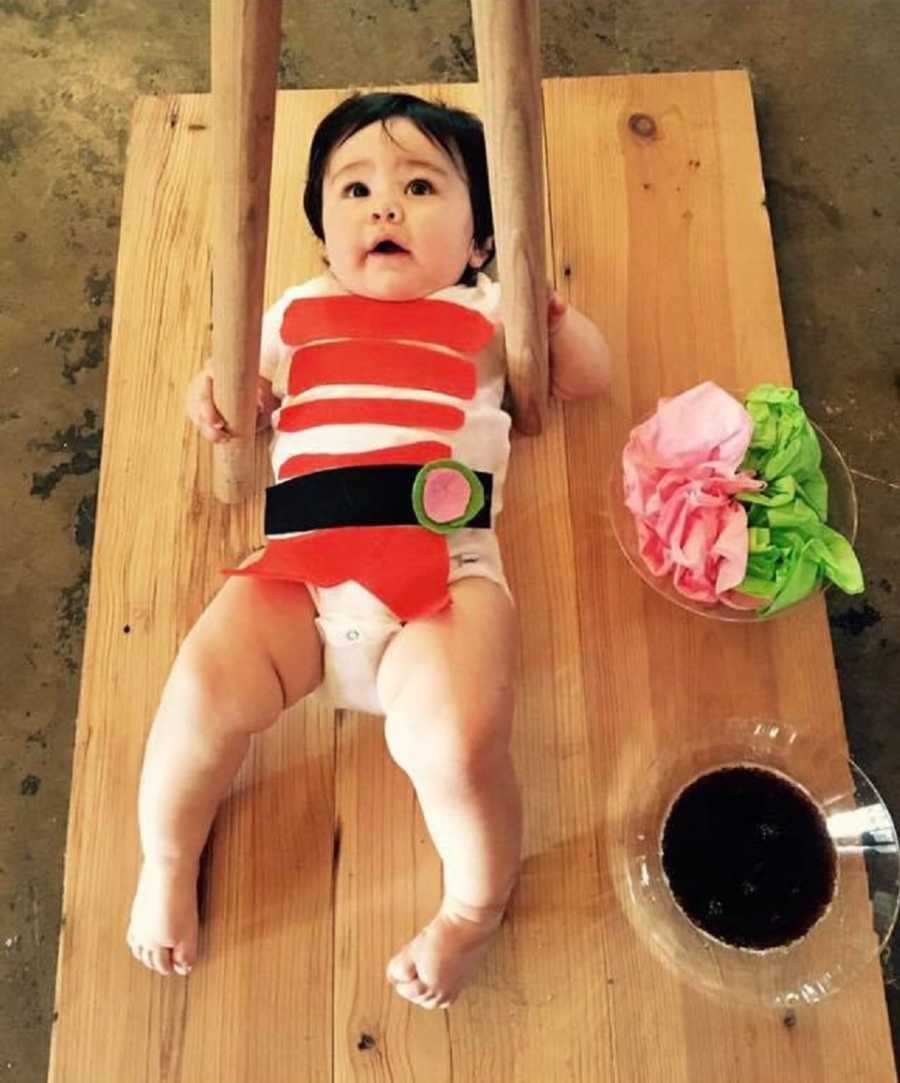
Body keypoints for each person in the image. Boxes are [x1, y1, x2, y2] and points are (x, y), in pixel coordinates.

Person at [127, 91, 611, 1011]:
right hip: (297, 570)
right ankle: (166, 854)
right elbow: (236, 387)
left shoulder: (487, 309)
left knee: (462, 742)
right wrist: (224, 398)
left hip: (442, 575)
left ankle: (474, 906)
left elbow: (588, 379)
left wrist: (552, 322)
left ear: (478, 241)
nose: (383, 206)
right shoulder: (299, 308)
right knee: (195, 693)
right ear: (325, 235)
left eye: (420, 185)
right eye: (354, 190)